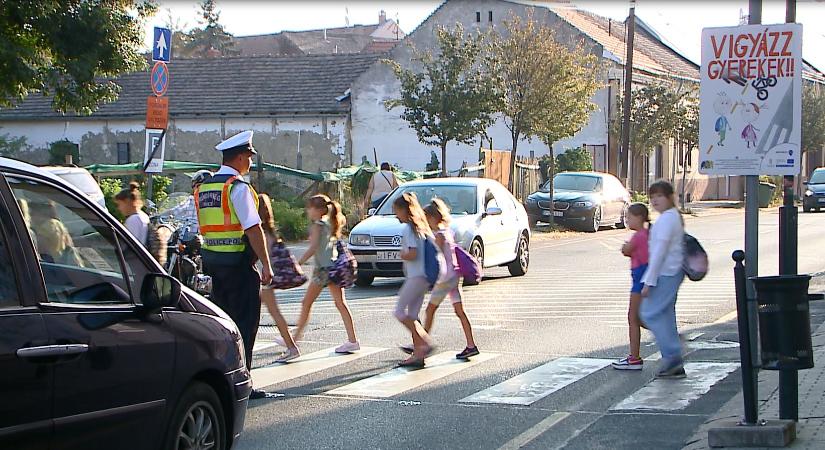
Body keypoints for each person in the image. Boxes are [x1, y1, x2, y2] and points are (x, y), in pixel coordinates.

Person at [195, 130, 273, 400]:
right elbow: (253, 228)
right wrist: (266, 264)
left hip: (212, 265)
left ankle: (222, 378)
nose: (250, 162)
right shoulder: (236, 187)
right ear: (240, 157)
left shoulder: (205, 187)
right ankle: (242, 382)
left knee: (221, 325)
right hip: (239, 266)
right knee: (244, 325)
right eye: (249, 157)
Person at [278, 194, 360, 353]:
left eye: (310, 208)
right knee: (340, 304)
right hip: (333, 268)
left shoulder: (318, 225)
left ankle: (293, 339)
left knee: (306, 303)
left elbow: (313, 247)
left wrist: (298, 263)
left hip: (323, 271)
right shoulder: (330, 222)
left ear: (318, 210)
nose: (308, 211)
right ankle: (352, 340)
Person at [421, 198, 479, 360]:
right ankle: (471, 344)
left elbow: (436, 257)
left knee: (430, 310)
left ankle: (422, 343)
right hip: (455, 275)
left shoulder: (439, 235)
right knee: (460, 312)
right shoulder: (447, 231)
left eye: (427, 219)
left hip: (445, 278)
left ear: (432, 218)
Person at [640, 180, 686, 379]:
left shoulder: (668, 219)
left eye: (659, 196)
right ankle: (672, 358)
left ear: (669, 198)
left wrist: (648, 282)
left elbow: (659, 252)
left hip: (666, 273)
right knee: (665, 313)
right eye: (652, 197)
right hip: (671, 271)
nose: (655, 200)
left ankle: (673, 352)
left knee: (649, 313)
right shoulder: (672, 217)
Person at [257, 193, 301, 363]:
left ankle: (291, 347)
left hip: (264, 279)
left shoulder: (260, 232)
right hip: (266, 279)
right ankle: (291, 346)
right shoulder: (269, 231)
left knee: (274, 313)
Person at [393, 192, 435, 368]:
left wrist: (401, 254)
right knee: (412, 315)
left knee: (400, 313)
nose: (396, 215)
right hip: (423, 276)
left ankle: (425, 342)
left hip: (415, 277)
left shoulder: (409, 229)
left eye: (397, 211)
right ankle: (418, 354)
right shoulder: (422, 227)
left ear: (405, 210)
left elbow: (413, 253)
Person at [612, 203, 650, 371]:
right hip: (644, 276)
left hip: (639, 279)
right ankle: (666, 334)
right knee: (640, 318)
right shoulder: (648, 234)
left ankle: (634, 357)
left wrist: (624, 247)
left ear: (640, 217)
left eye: (630, 217)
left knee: (632, 318)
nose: (627, 220)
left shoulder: (638, 236)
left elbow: (627, 250)